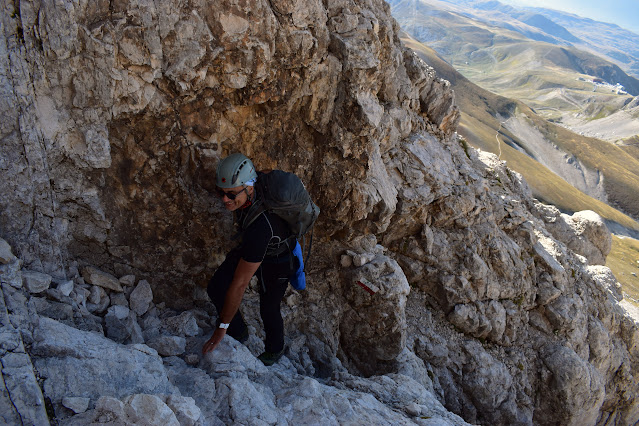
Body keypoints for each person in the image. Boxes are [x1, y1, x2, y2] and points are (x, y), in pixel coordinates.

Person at [201, 153, 293, 366]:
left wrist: (219, 330)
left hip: (278, 259)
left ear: (249, 189)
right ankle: (239, 331)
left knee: (269, 307)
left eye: (231, 195)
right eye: (221, 193)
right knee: (217, 286)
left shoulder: (260, 228)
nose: (225, 199)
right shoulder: (253, 183)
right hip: (254, 247)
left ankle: (274, 351)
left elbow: (240, 285)